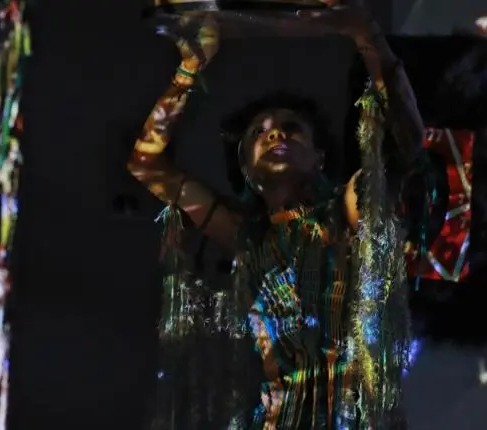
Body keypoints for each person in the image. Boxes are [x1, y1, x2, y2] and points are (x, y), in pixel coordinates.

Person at [128, 2, 424, 428]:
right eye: (259, 133)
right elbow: (146, 164)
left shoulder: (346, 210)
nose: (276, 133)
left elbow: (407, 143)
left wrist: (367, 35)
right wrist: (190, 68)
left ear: (319, 157)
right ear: (247, 171)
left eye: (291, 127)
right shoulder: (247, 236)